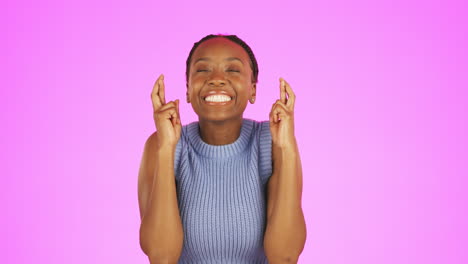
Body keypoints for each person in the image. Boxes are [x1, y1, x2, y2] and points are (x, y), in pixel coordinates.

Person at [138, 34, 306, 264]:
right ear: (187, 90)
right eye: (203, 70)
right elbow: (161, 256)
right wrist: (166, 149)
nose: (217, 79)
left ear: (252, 90)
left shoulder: (272, 141)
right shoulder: (162, 145)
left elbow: (285, 256)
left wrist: (287, 149)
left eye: (233, 70)